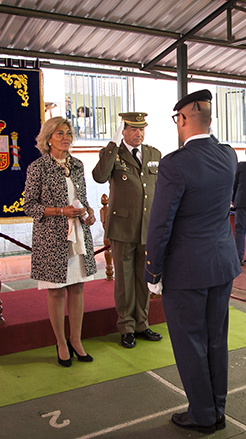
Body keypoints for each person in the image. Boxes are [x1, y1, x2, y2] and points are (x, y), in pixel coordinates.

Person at [144, 89, 241, 434]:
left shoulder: (175, 163)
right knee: (216, 339)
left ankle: (202, 414)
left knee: (190, 343)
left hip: (185, 269)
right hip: (221, 263)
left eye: (176, 119)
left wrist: (153, 270)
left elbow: (160, 223)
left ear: (183, 119)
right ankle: (217, 408)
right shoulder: (229, 156)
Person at [23, 116, 97, 367]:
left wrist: (89, 212)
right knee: (55, 290)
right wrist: (59, 211)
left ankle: (76, 340)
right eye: (59, 133)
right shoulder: (38, 167)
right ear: (48, 139)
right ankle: (61, 343)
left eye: (68, 133)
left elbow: (82, 197)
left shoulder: (77, 164)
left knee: (77, 287)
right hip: (51, 238)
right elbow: (29, 206)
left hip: (76, 234)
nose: (66, 137)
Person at [92, 112, 163, 349]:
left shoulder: (154, 154)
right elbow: (100, 176)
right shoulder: (112, 154)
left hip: (147, 227)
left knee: (144, 279)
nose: (138, 134)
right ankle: (126, 327)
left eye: (141, 129)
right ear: (123, 131)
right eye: (133, 129)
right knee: (124, 281)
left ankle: (142, 324)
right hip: (122, 228)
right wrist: (111, 146)